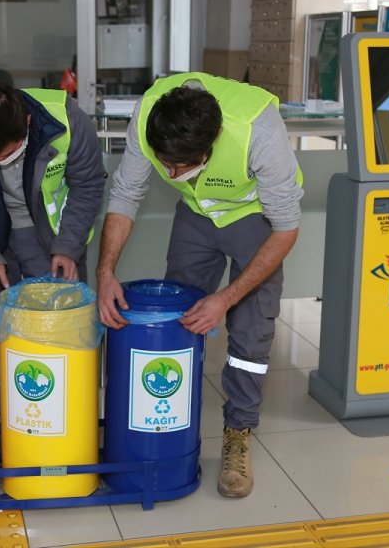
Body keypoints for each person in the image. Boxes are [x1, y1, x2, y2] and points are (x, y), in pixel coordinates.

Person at [96, 72, 303, 499]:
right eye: (164, 163)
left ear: (214, 140)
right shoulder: (147, 116)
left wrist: (225, 299)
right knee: (177, 319)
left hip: (256, 216)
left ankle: (238, 432)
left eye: (181, 165)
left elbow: (285, 229)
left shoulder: (258, 130)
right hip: (195, 214)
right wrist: (105, 272)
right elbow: (126, 193)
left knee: (251, 329)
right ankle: (170, 419)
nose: (169, 172)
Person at [0, 83, 105, 298]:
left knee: (57, 308)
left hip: (48, 230)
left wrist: (68, 247)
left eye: (9, 154)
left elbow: (87, 186)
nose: (1, 161)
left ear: (28, 122)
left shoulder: (68, 119)